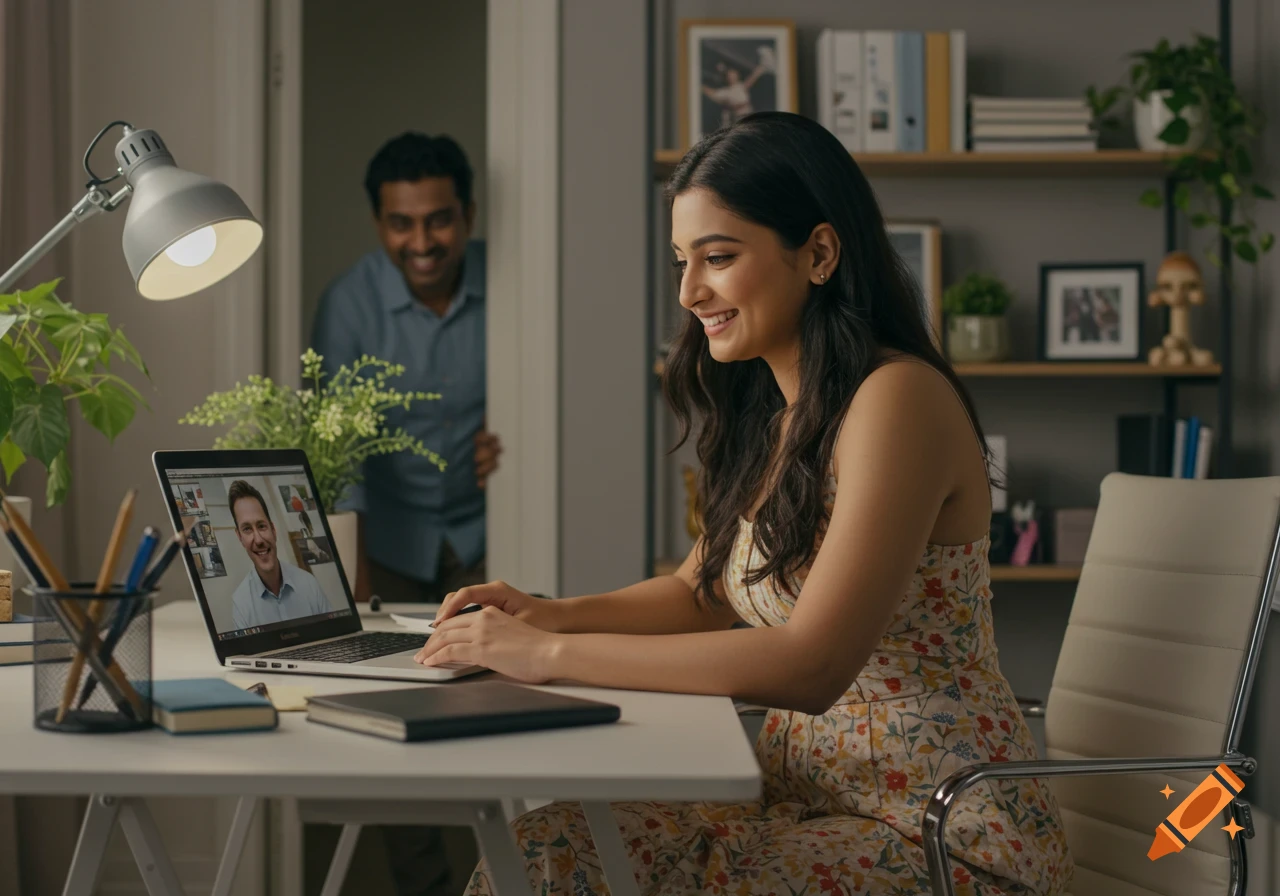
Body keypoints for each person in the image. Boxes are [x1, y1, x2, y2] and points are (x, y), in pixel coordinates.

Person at [414, 113, 1073, 896]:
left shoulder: (898, 400)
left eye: (718, 258)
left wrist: (547, 657)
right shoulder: (780, 413)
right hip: (800, 799)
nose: (690, 292)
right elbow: (701, 594)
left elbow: (811, 665)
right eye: (682, 262)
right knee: (548, 847)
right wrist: (545, 614)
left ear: (819, 253)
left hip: (932, 831)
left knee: (579, 869)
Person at [312, 132, 501, 607]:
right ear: (378, 224)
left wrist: (512, 436)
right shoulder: (347, 305)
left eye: (438, 221)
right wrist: (353, 582)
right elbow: (341, 455)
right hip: (387, 548)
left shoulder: (513, 282)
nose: (421, 243)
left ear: (468, 216)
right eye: (401, 224)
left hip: (491, 534)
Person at [227, 480, 330, 631]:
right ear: (240, 537)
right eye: (247, 529)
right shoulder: (241, 604)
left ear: (273, 530)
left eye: (262, 526)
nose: (258, 539)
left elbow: (335, 637)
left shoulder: (309, 585)